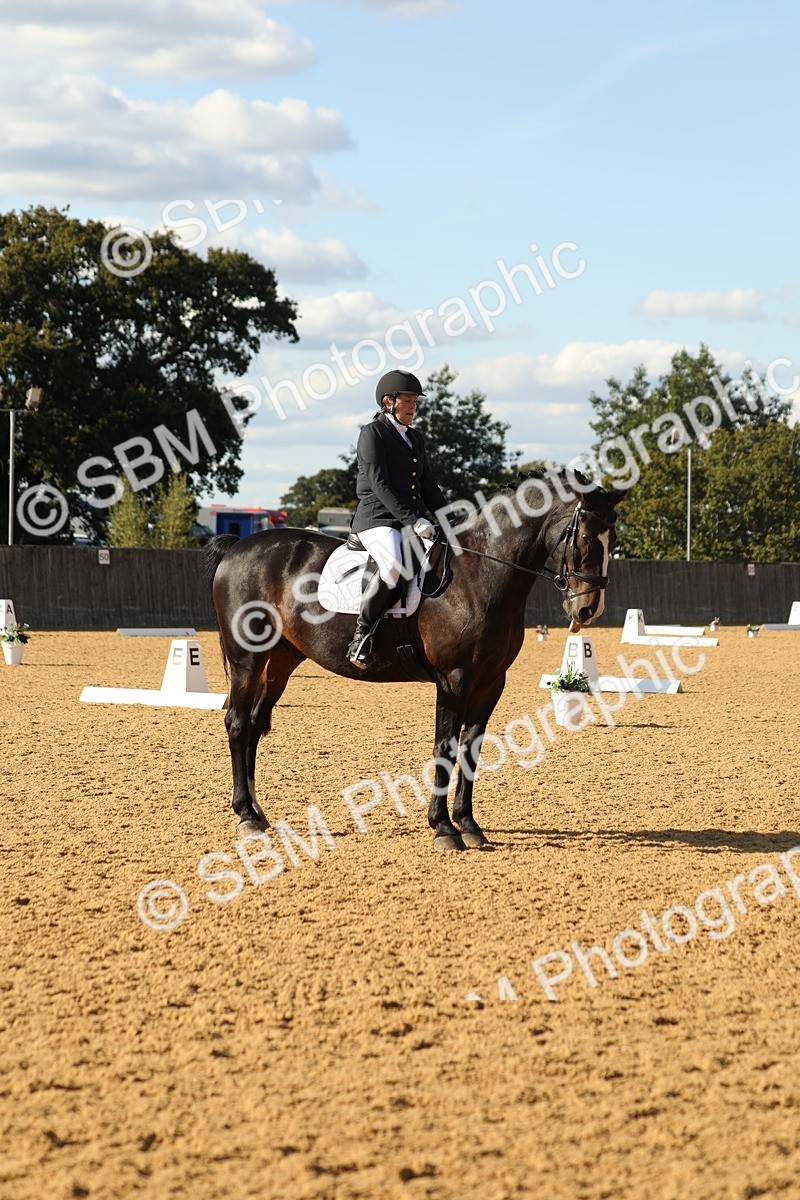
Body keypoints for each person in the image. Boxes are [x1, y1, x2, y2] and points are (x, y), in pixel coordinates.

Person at [346, 369, 448, 668]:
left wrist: (451, 519)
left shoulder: (414, 437)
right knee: (393, 564)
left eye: (415, 401)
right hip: (376, 519)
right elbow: (380, 484)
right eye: (407, 401)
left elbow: (428, 486)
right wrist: (414, 520)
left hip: (407, 520)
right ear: (388, 401)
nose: (413, 406)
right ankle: (361, 635)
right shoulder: (372, 433)